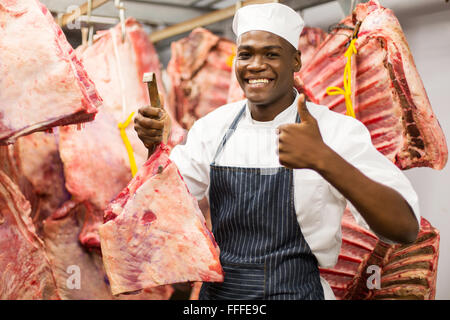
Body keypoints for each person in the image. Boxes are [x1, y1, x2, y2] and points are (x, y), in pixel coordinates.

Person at [134, 3, 420, 300]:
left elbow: (404, 228)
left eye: (271, 54)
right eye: (246, 54)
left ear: (295, 61)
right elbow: (159, 209)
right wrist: (156, 148)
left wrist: (324, 159)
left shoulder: (337, 131)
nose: (255, 65)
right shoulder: (213, 128)